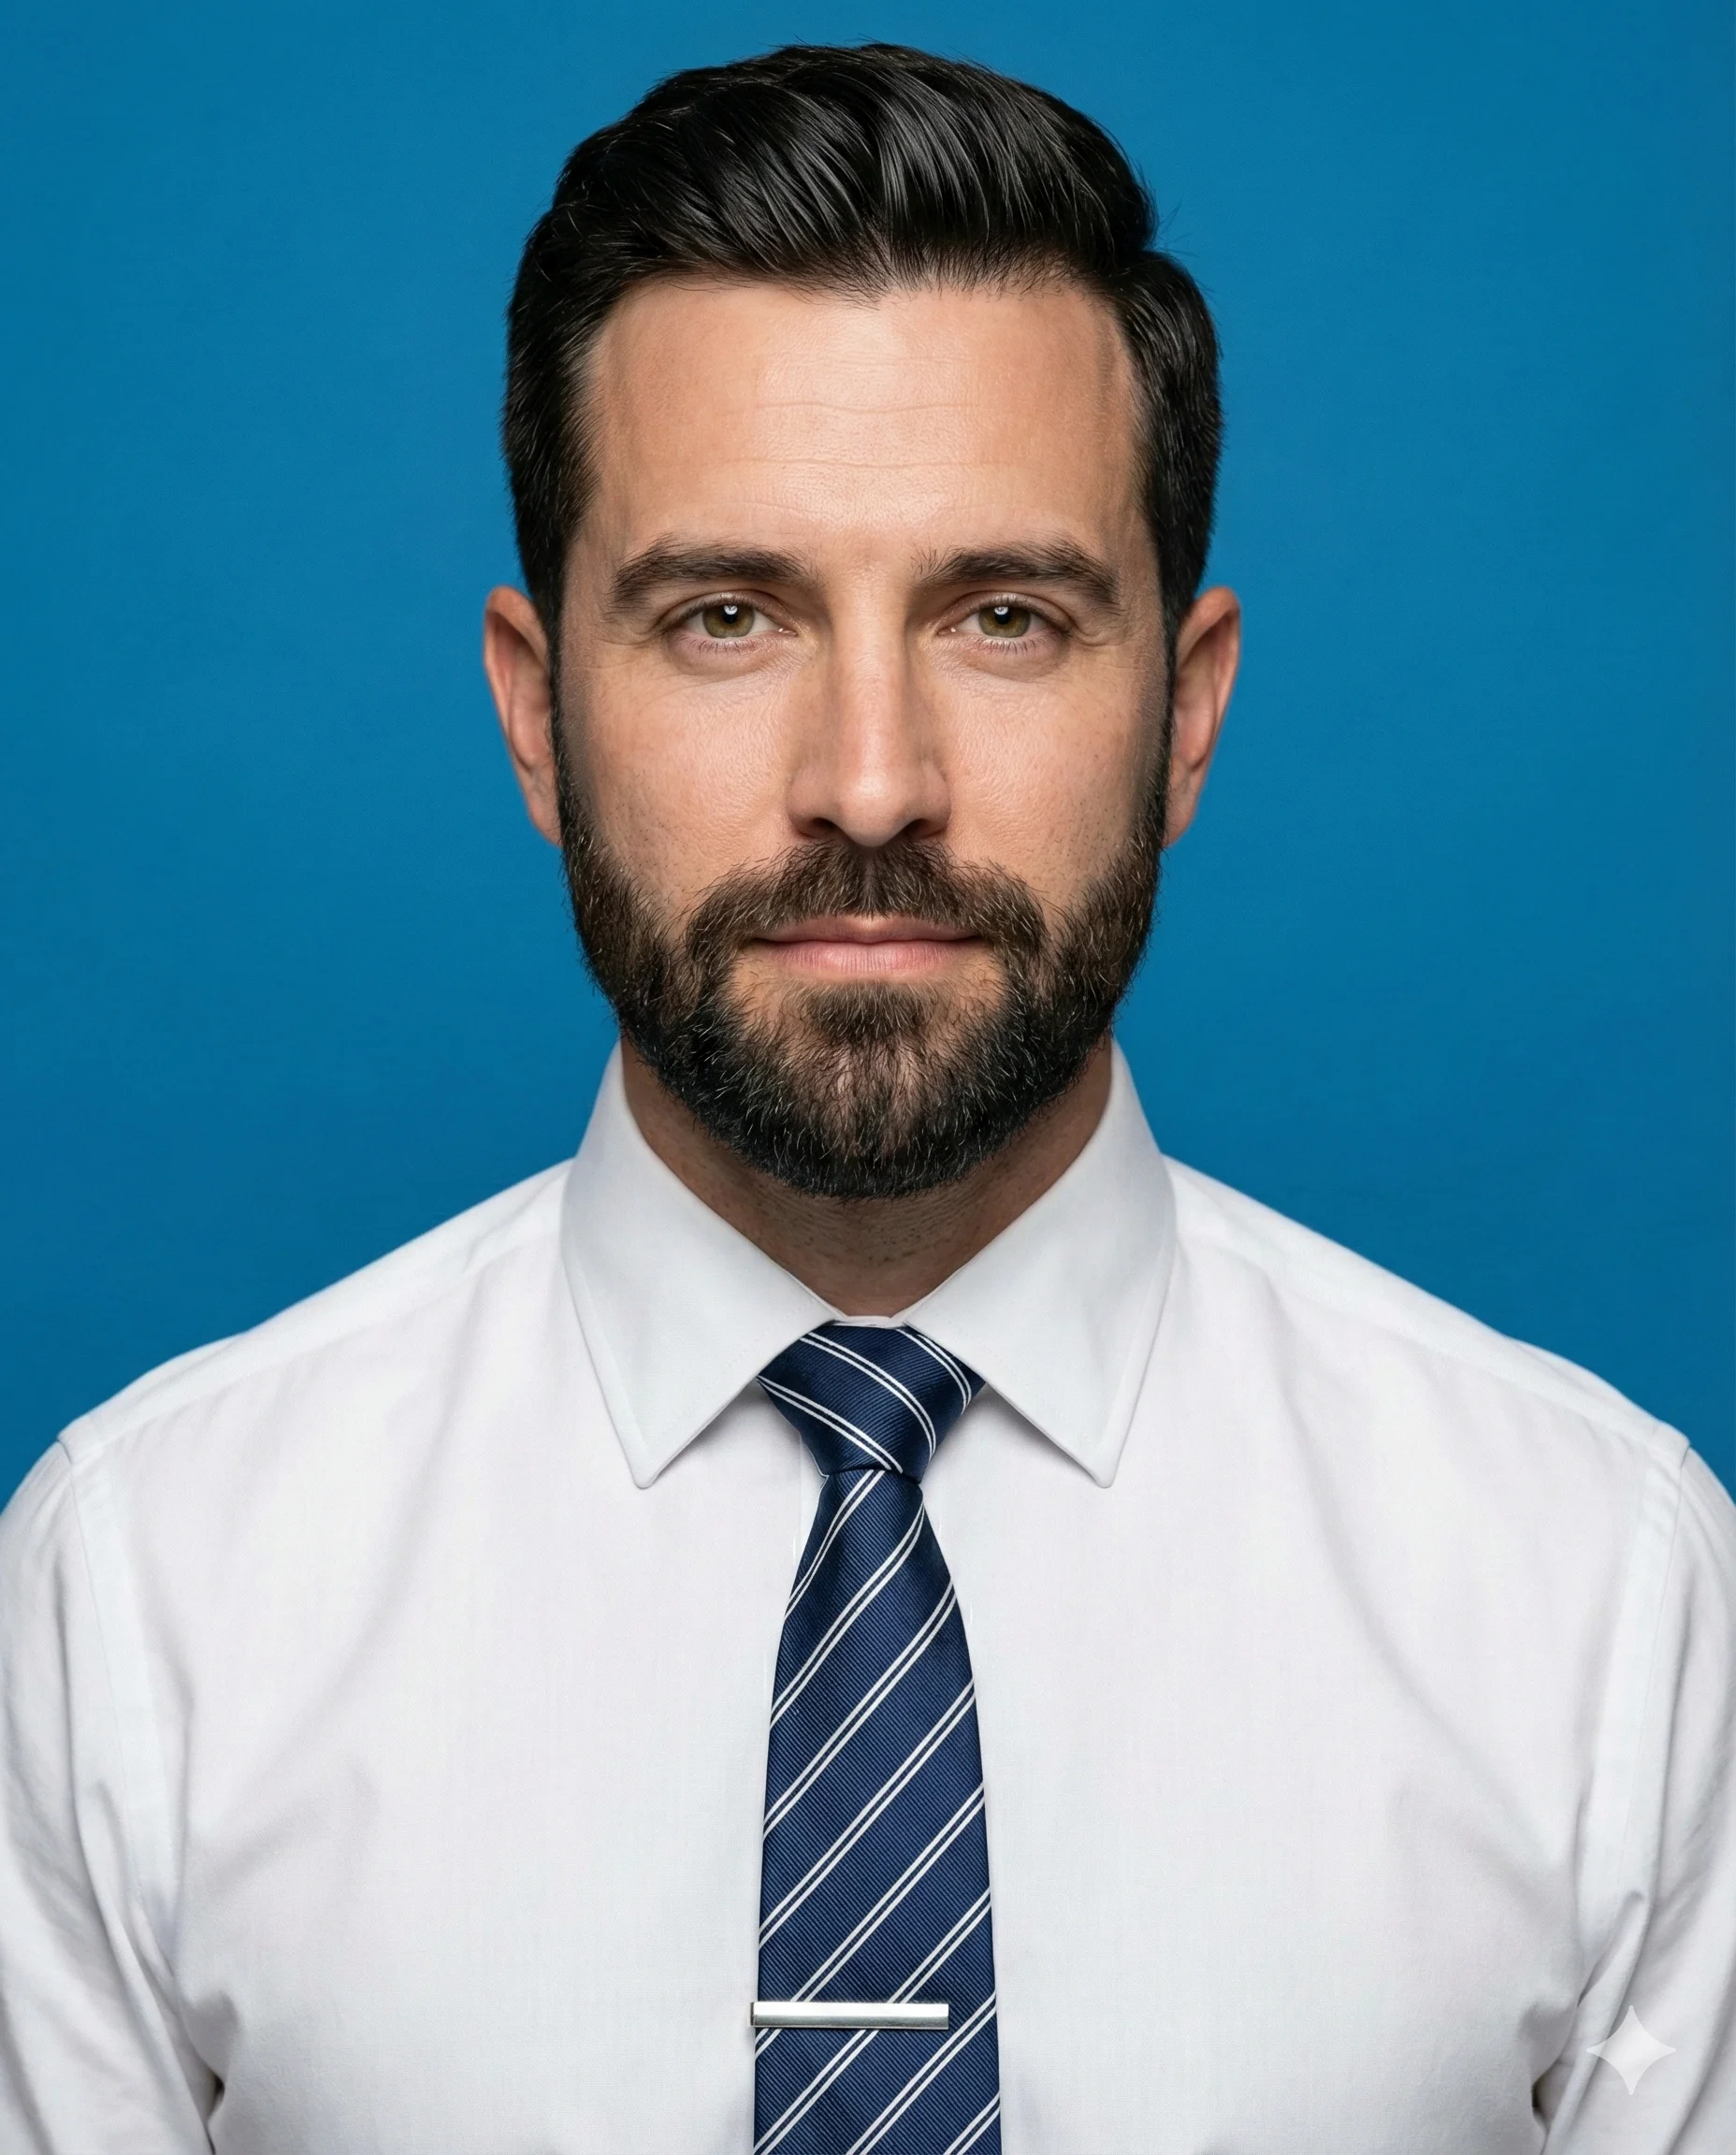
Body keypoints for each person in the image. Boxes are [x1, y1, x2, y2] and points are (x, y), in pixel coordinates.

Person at [0, 41, 1730, 2154]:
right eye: (726, 617)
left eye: (1005, 617)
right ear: (537, 715)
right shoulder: (138, 1599)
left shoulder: (1608, 1600)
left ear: (1185, 714)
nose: (874, 784)